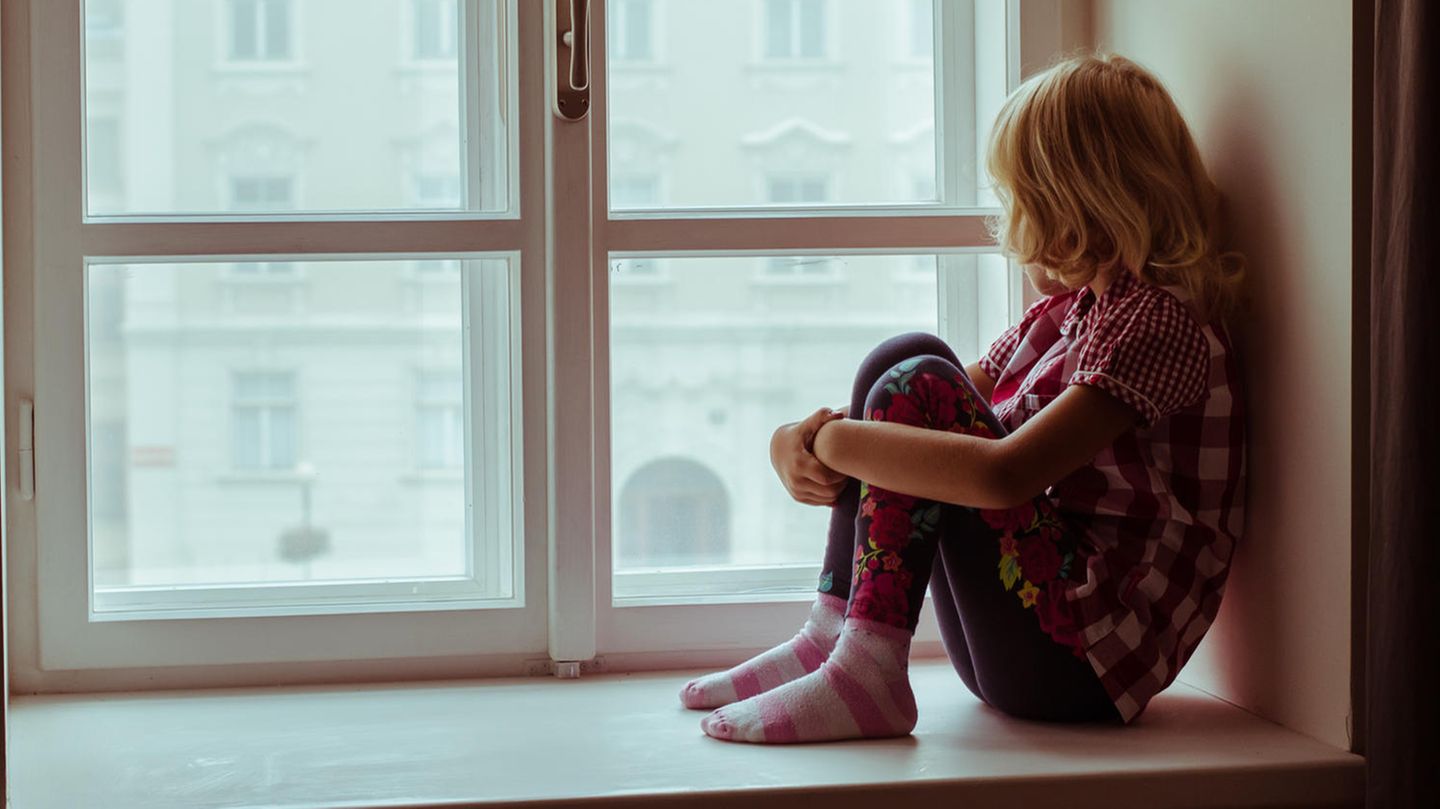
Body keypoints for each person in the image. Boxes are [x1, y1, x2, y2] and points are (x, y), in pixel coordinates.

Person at [679, 53, 1246, 744]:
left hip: (1086, 662)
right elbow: (932, 392)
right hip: (1031, 643)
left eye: (1021, 199)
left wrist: (830, 441)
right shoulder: (1070, 313)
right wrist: (793, 436)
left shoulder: (1157, 321)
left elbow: (1002, 473)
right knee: (903, 358)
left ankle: (866, 667)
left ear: (1081, 206)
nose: (1010, 222)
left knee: (916, 380)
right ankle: (838, 633)